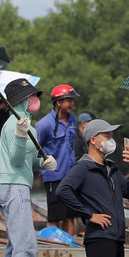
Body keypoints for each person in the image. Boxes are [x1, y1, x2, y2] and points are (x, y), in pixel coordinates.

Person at [57, 119, 129, 257]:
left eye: (112, 135)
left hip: (115, 236)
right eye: (107, 135)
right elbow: (63, 190)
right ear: (93, 140)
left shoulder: (111, 167)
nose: (111, 139)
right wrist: (89, 214)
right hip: (100, 236)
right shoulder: (83, 167)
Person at [0, 78, 57, 257]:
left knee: (15, 243)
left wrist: (43, 164)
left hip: (17, 183)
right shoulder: (15, 124)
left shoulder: (28, 125)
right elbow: (15, 159)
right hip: (13, 186)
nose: (36, 100)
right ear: (20, 101)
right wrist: (21, 137)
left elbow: (26, 163)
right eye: (31, 96)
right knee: (26, 244)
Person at [36, 84, 80, 236]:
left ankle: (70, 246)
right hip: (54, 176)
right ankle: (52, 245)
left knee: (70, 215)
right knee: (55, 216)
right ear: (58, 102)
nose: (72, 104)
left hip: (71, 176)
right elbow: (35, 149)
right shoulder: (44, 125)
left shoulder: (73, 120)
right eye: (69, 100)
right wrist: (41, 166)